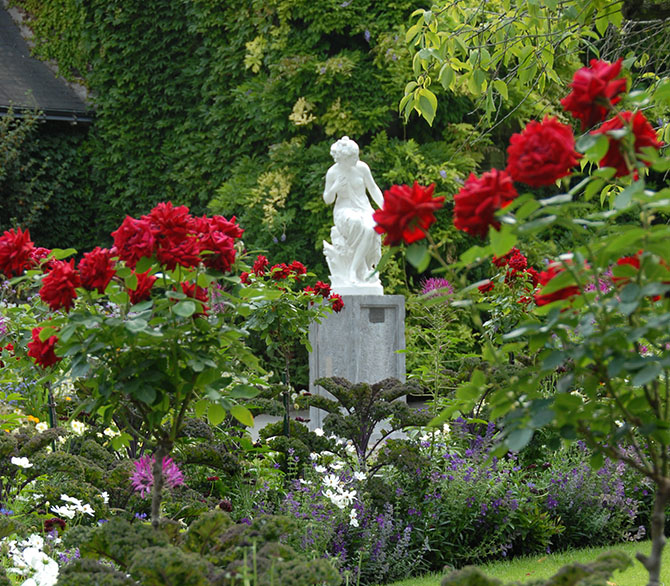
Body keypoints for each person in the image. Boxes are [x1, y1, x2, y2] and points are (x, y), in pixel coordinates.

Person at [322, 136, 384, 293]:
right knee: (357, 223)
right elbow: (328, 199)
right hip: (344, 210)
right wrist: (335, 187)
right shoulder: (333, 172)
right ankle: (354, 272)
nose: (357, 158)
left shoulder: (362, 168)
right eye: (353, 157)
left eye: (357, 155)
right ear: (343, 159)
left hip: (364, 208)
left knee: (372, 228)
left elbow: (373, 188)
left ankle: (355, 269)